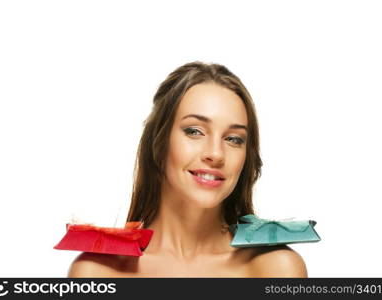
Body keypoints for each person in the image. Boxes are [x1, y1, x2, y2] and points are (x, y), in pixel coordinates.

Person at [67, 61, 308, 277]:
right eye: (194, 131)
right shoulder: (97, 273)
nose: (215, 153)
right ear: (159, 142)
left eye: (233, 139)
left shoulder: (277, 269)